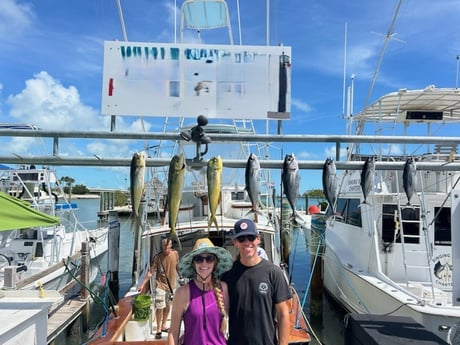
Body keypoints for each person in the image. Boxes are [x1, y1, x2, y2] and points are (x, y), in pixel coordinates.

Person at [221, 219, 292, 345]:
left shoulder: (274, 273)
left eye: (251, 238)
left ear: (258, 239)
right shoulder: (227, 275)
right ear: (235, 242)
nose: (247, 242)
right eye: (241, 239)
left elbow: (283, 314)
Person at [168, 238, 233, 345]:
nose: (204, 263)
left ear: (215, 263)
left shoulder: (223, 288)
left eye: (209, 258)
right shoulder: (182, 293)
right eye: (199, 259)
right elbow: (173, 332)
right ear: (193, 264)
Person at [151, 238, 181, 339]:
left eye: (168, 246)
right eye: (164, 246)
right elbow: (151, 272)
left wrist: (181, 277)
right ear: (162, 246)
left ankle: (164, 325)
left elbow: (178, 267)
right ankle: (159, 328)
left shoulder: (175, 254)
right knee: (160, 307)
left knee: (167, 306)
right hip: (160, 285)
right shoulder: (158, 257)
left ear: (171, 246)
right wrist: (142, 285)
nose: (166, 248)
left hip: (171, 286)